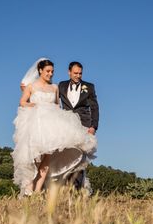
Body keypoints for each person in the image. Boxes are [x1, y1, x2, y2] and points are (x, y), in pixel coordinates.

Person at [12, 58, 97, 196]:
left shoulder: (56, 87)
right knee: (33, 159)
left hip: (51, 128)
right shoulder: (32, 86)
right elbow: (22, 102)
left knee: (47, 159)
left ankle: (38, 192)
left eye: (52, 71)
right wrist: (34, 105)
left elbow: (57, 106)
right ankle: (28, 189)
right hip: (36, 125)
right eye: (47, 71)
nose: (50, 74)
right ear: (40, 70)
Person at [58, 62, 99, 191]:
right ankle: (66, 186)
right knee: (67, 156)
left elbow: (95, 107)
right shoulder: (61, 85)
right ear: (69, 72)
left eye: (80, 73)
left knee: (80, 157)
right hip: (67, 125)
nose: (78, 75)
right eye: (75, 73)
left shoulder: (89, 87)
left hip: (84, 125)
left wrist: (93, 126)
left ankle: (77, 189)